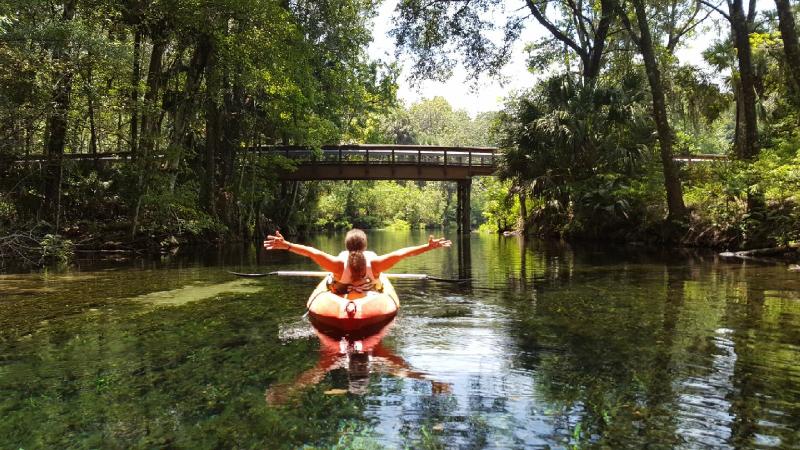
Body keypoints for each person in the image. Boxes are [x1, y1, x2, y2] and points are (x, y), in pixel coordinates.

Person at [263, 229, 451, 296]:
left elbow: (311, 253)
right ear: (365, 246)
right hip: (370, 296)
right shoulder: (376, 264)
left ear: (346, 247)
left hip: (340, 293)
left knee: (333, 282)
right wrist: (428, 247)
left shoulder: (336, 264)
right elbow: (403, 254)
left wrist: (287, 245)